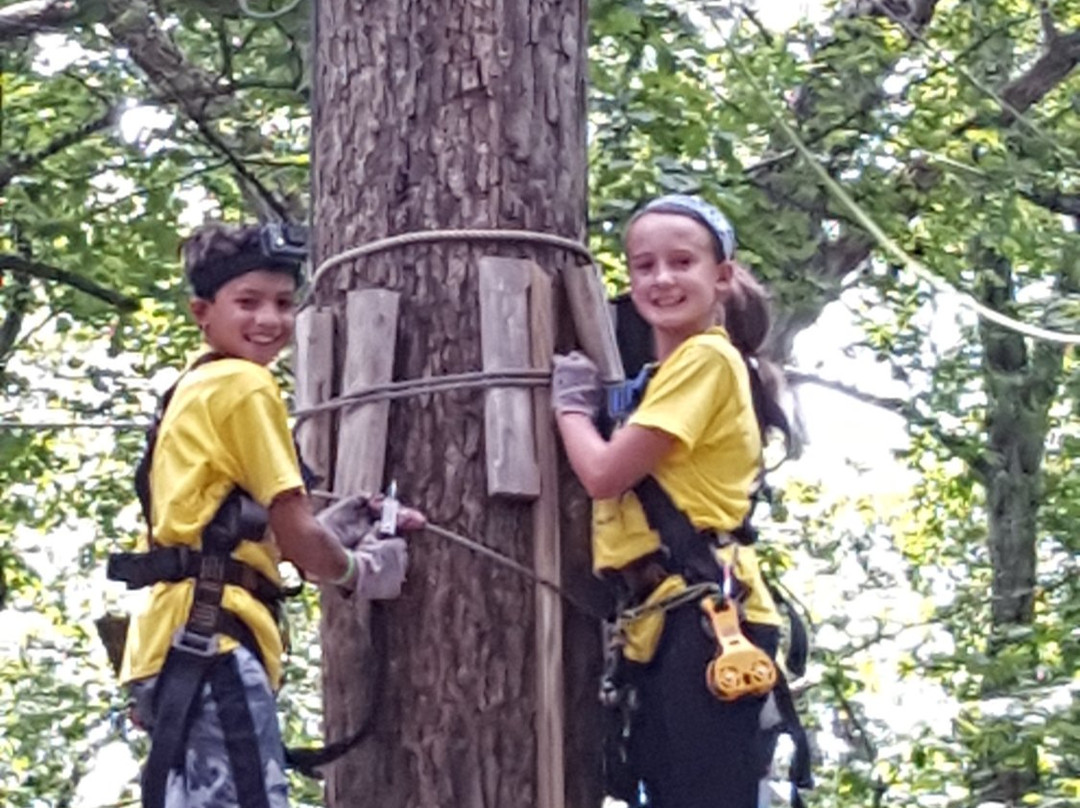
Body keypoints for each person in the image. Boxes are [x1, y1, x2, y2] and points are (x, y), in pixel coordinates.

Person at [113, 223, 425, 808]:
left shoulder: (193, 386)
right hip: (213, 645)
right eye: (248, 302)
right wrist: (361, 572)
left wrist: (338, 526)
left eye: (284, 303)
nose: (270, 320)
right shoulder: (245, 385)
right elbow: (300, 540)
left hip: (170, 647)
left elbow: (238, 534)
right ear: (202, 311)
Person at [552, 195, 791, 808]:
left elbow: (606, 474)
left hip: (703, 620)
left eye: (681, 262)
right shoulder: (665, 375)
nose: (660, 279)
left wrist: (569, 411)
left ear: (722, 276)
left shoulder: (707, 357)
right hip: (666, 621)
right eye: (643, 266)